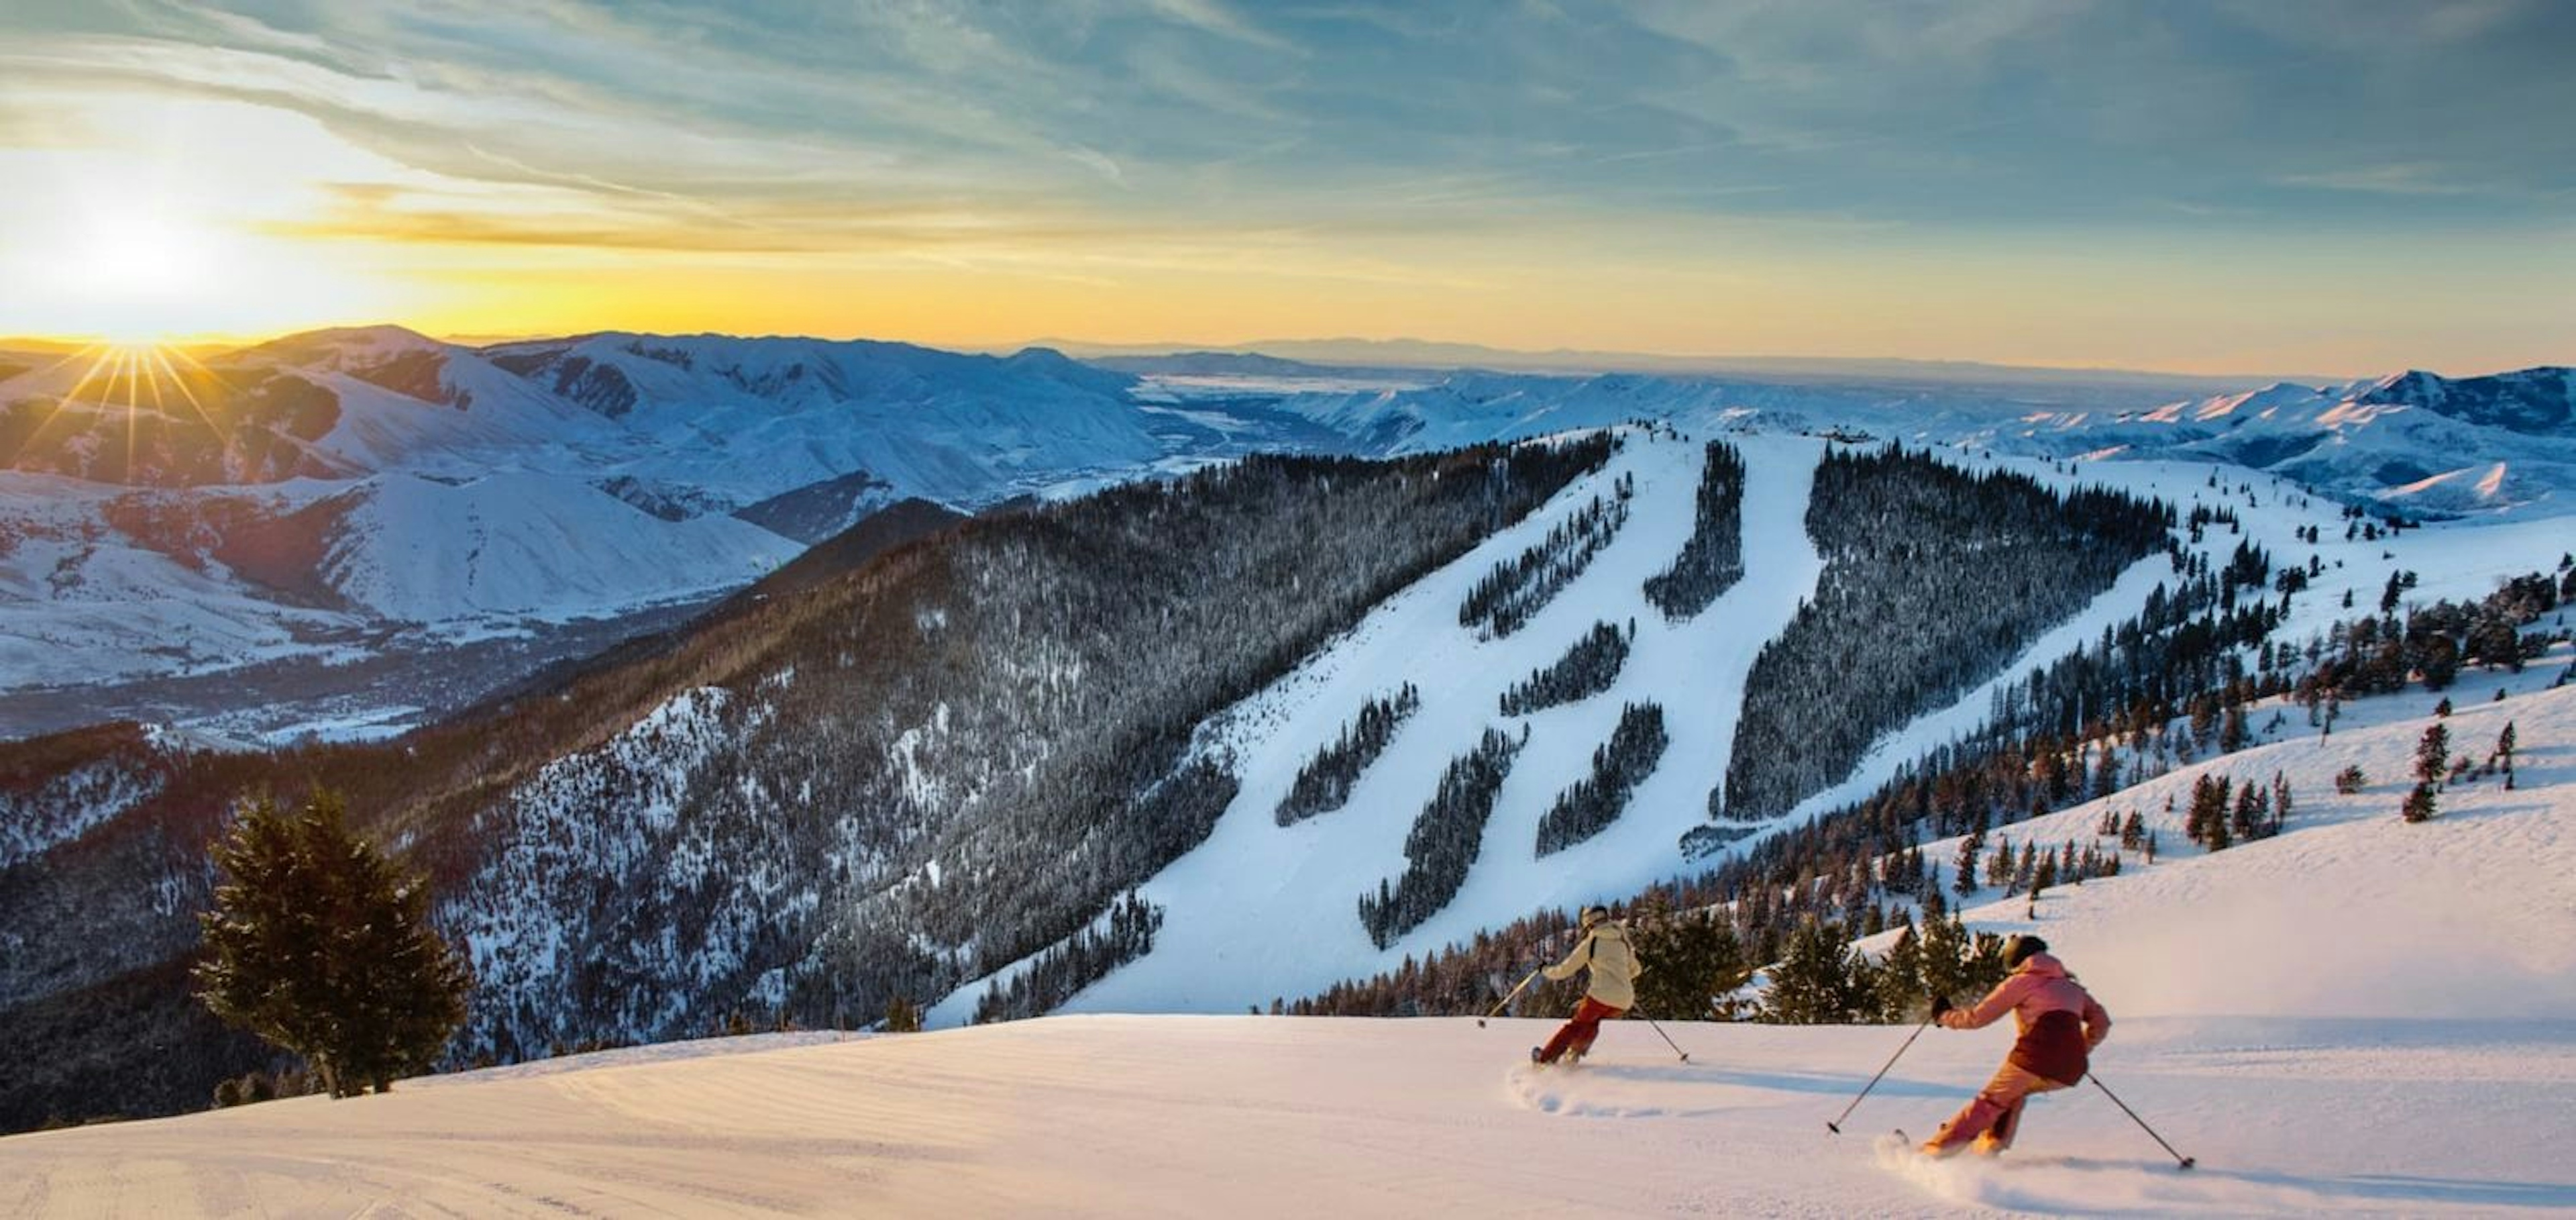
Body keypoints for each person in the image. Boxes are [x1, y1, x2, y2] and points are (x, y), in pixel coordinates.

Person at [1919, 934, 2111, 1157]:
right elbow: (2102, 1023)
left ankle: (1936, 1151)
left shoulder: (2021, 982)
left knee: (1989, 1102)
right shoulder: (2073, 988)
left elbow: (1977, 1018)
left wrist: (1944, 1015)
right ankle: (1990, 1146)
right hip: (2071, 1069)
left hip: (2032, 1058)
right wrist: (2080, 1049)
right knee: (2013, 1095)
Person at [1530, 905, 1642, 1066]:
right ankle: (1574, 1053)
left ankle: (1545, 1058)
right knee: (1591, 1023)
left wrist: (1545, 970)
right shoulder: (1623, 941)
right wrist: (1620, 979)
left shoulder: (1592, 942)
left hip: (1601, 995)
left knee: (1576, 1026)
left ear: (1589, 922)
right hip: (1625, 1001)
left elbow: (1565, 970)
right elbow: (1636, 970)